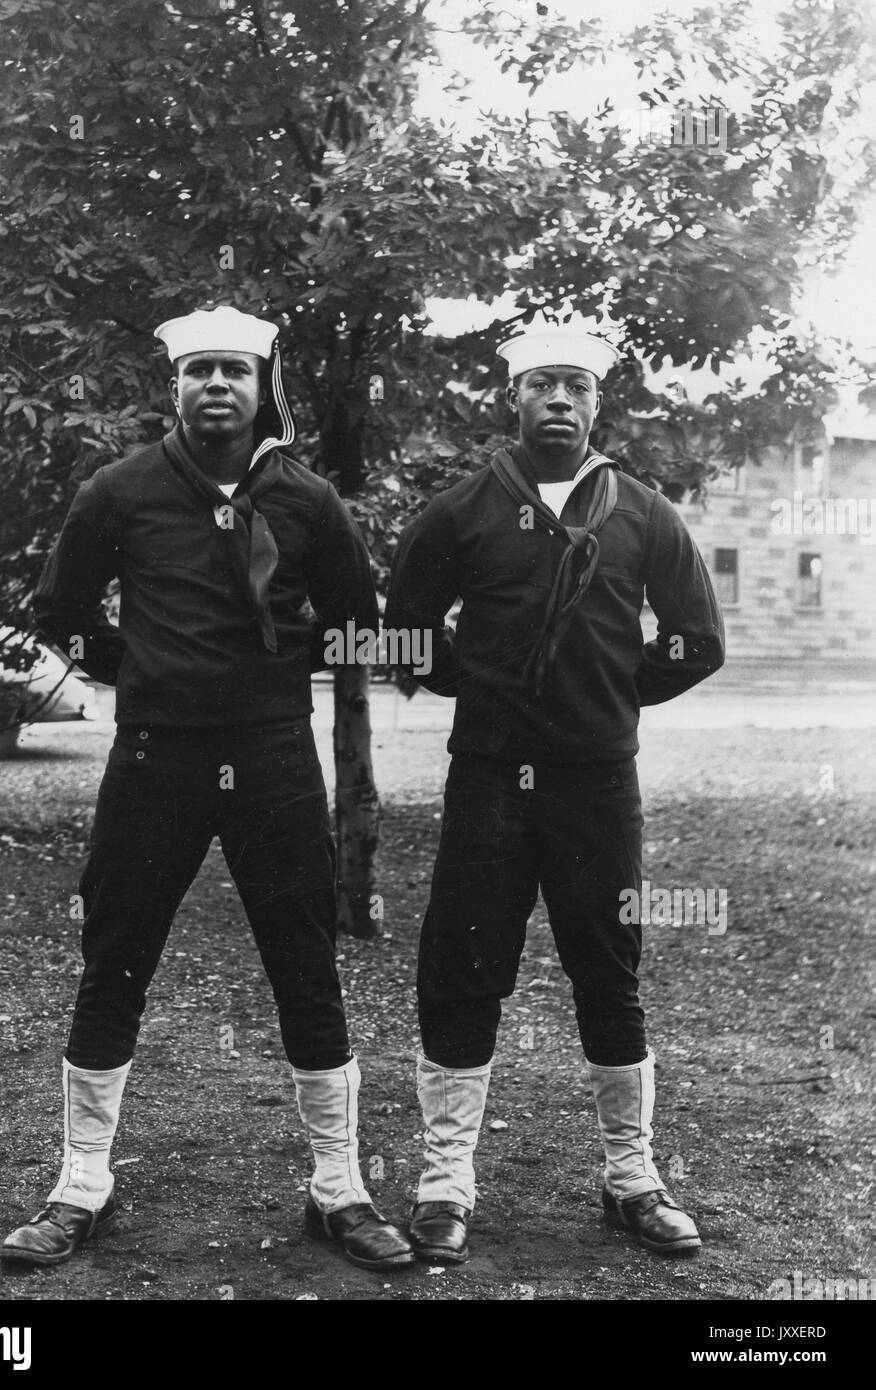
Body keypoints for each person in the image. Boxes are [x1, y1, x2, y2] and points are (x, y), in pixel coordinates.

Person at [1, 306, 414, 1272]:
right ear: (175, 387)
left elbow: (357, 622)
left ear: (263, 387)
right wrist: (145, 669)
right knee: (116, 957)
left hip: (274, 758)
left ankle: (340, 1187)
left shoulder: (309, 499)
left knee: (304, 961)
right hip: (157, 758)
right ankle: (81, 1183)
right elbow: (59, 609)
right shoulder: (120, 489)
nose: (216, 385)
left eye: (234, 369)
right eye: (199, 372)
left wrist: (273, 668)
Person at [384, 322, 725, 1263]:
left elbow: (698, 639)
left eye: (576, 384)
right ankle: (445, 1184)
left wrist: (611, 691)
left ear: (598, 402)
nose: (560, 400)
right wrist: (477, 686)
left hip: (596, 781)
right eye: (542, 384)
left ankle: (632, 1179)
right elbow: (404, 632)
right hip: (489, 777)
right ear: (514, 399)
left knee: (608, 969)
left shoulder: (644, 512)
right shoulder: (461, 510)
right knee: (463, 966)